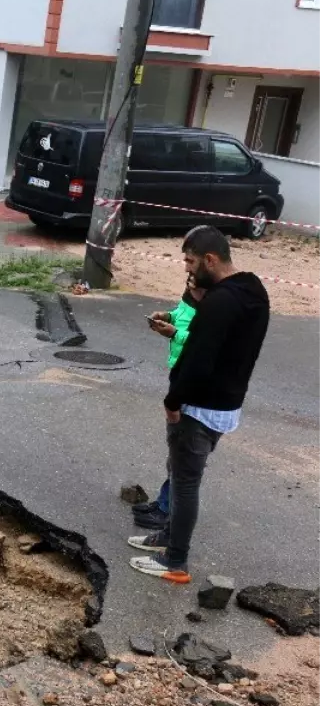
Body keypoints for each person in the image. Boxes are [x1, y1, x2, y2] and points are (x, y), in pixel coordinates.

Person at [128, 226, 269, 584]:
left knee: (185, 483)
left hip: (198, 407)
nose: (187, 269)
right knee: (179, 474)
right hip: (226, 404)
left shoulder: (219, 303)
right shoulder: (252, 290)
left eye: (191, 262)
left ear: (210, 259)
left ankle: (175, 562)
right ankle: (167, 537)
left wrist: (173, 401)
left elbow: (199, 359)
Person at [132, 275, 207, 530]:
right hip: (180, 370)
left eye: (193, 279)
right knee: (177, 450)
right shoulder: (191, 296)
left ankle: (168, 512)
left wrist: (174, 333)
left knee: (183, 452)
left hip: (193, 378)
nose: (188, 283)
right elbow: (182, 314)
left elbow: (203, 342)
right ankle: (164, 503)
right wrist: (168, 317)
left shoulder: (213, 306)